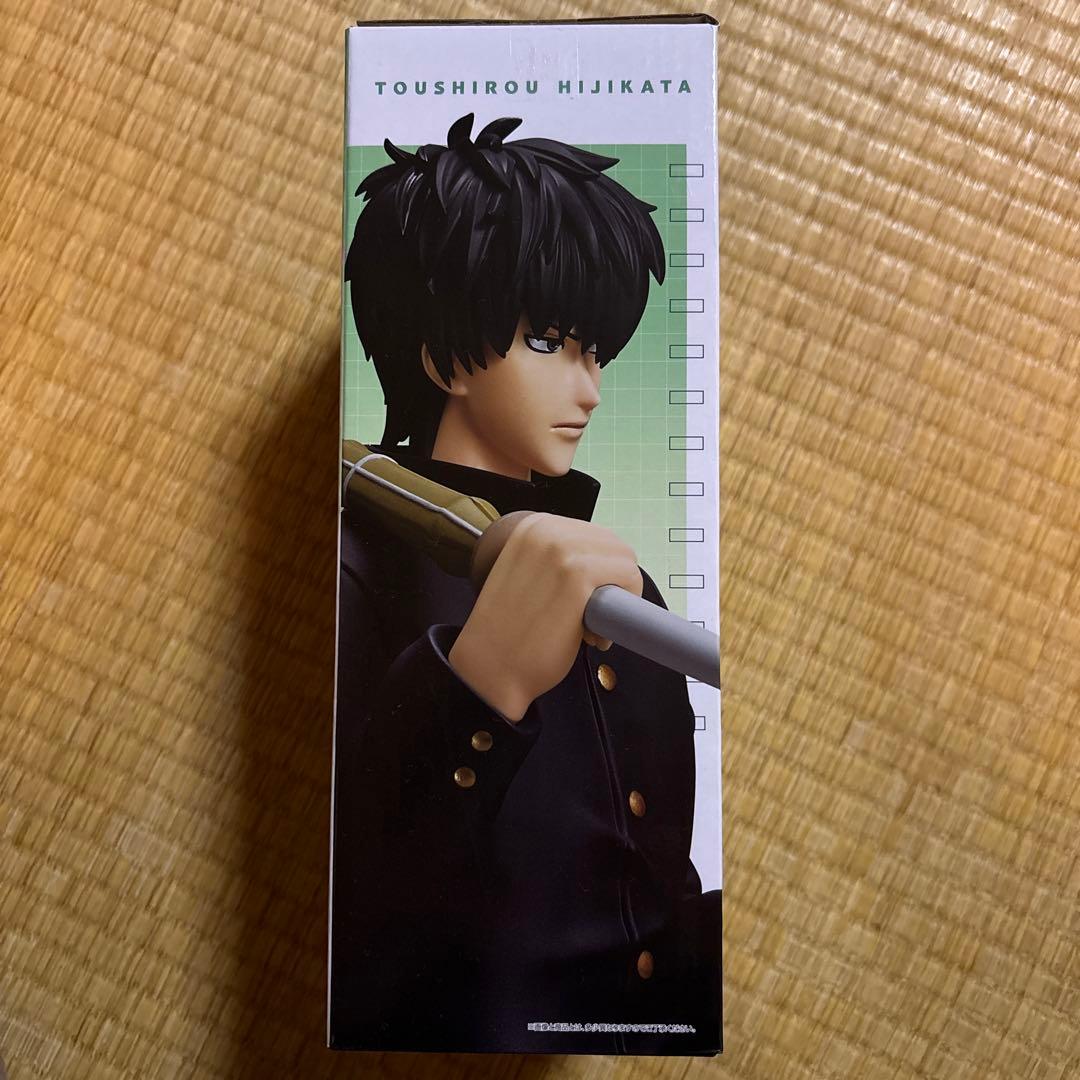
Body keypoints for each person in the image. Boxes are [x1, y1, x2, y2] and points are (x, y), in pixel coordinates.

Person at [330, 113, 721, 1054]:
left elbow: (659, 878)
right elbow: (361, 908)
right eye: (549, 341)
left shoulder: (626, 582)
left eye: (597, 351)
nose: (590, 390)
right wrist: (480, 687)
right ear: (441, 358)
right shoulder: (354, 570)